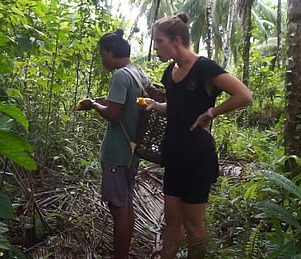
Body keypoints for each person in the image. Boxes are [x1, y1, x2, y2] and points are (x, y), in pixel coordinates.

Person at [145, 13, 252, 259]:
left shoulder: (204, 68)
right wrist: (155, 105)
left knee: (193, 224)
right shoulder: (169, 72)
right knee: (172, 219)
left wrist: (211, 113)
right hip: (173, 153)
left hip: (197, 155)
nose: (156, 47)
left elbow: (244, 95)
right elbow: (174, 107)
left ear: (177, 40)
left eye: (159, 41)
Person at [78, 29, 149, 259]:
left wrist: (93, 105)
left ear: (110, 52)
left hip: (117, 154)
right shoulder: (137, 73)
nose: (102, 59)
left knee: (118, 209)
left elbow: (113, 114)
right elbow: (132, 104)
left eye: (102, 54)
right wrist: (107, 101)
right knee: (126, 204)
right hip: (131, 153)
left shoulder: (120, 76)